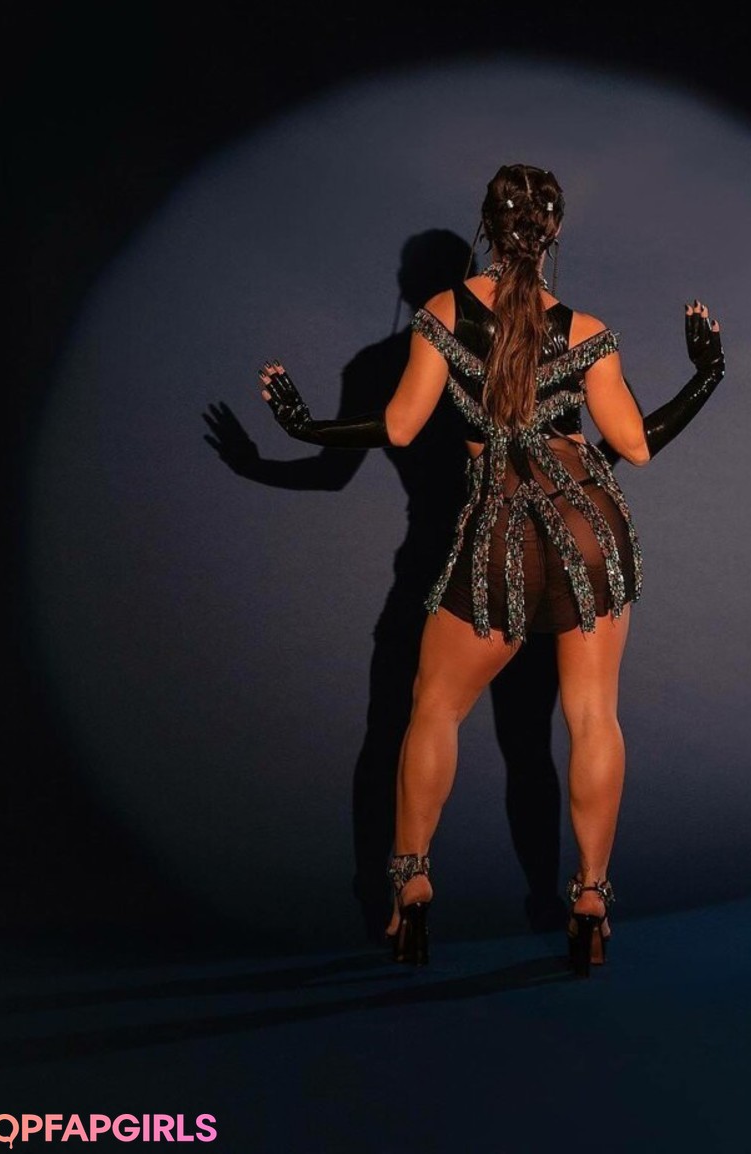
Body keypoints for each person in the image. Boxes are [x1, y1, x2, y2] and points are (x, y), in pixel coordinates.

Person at [258, 162, 725, 976]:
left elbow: (400, 429)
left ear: (488, 226)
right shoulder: (587, 332)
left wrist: (308, 429)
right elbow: (635, 447)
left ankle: (411, 885)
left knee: (433, 708)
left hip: (502, 528)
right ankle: (590, 899)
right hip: (589, 521)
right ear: (553, 233)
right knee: (593, 717)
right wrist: (706, 375)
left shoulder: (441, 316)